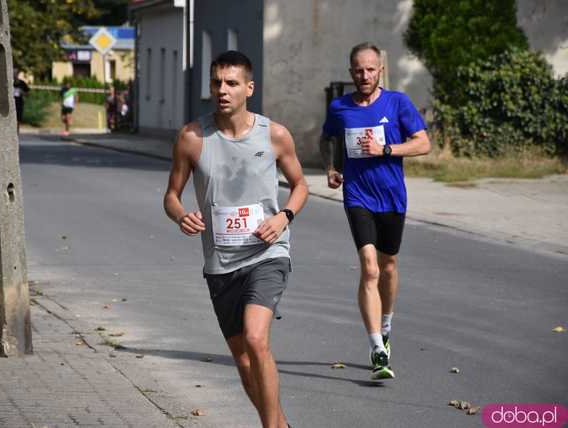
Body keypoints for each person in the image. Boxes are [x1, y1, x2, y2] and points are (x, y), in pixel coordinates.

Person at [164, 50, 308, 428]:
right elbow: (171, 196)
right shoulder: (192, 138)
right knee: (243, 359)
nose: (222, 91)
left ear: (249, 87)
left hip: (267, 253)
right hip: (221, 262)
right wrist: (182, 215)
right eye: (216, 83)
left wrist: (284, 216)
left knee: (257, 339)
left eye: (231, 83)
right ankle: (279, 423)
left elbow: (300, 185)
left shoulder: (274, 134)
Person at [319, 42, 431, 380]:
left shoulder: (398, 103)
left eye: (370, 69)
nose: (364, 75)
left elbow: (423, 143)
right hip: (357, 196)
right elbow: (327, 139)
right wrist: (331, 167)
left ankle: (386, 325)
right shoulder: (340, 107)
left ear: (380, 70)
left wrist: (386, 148)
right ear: (350, 72)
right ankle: (377, 350)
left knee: (388, 266)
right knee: (369, 268)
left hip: (392, 197)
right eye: (358, 70)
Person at [13, 70, 30, 134]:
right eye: (13, 73)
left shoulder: (22, 83)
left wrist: (22, 92)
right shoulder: (9, 82)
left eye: (15, 73)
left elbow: (28, 94)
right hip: (10, 104)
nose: (14, 75)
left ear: (17, 74)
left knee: (18, 120)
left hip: (19, 103)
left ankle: (16, 134)